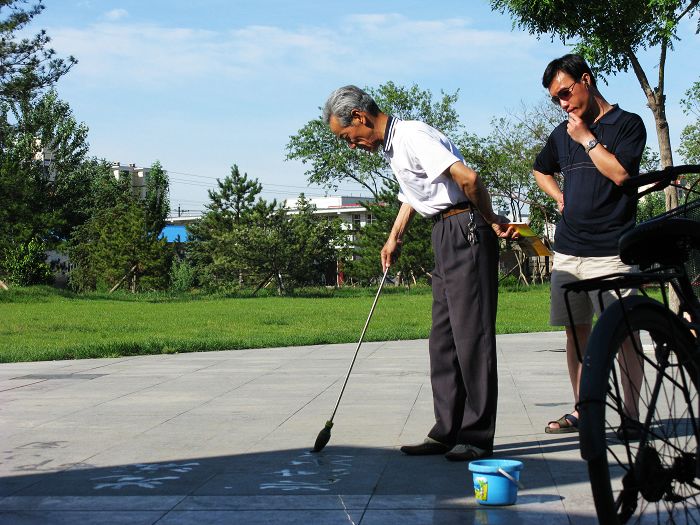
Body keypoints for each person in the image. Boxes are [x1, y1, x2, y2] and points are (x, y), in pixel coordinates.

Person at [323, 85, 516, 461]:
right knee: (442, 338)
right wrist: (393, 238)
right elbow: (414, 194)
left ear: (359, 117)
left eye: (348, 137)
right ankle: (447, 430)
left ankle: (476, 436)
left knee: (471, 336)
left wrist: (491, 220)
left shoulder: (413, 135)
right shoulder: (395, 147)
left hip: (465, 229)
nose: (351, 145)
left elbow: (469, 179)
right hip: (444, 233)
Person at [533, 54, 646, 435]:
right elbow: (540, 168)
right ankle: (584, 411)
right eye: (556, 100)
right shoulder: (560, 133)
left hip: (613, 250)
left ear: (586, 79)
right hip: (568, 251)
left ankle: (631, 417)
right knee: (575, 331)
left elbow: (620, 174)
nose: (563, 104)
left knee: (624, 334)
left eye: (566, 93)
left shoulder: (628, 124)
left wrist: (586, 138)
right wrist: (558, 196)